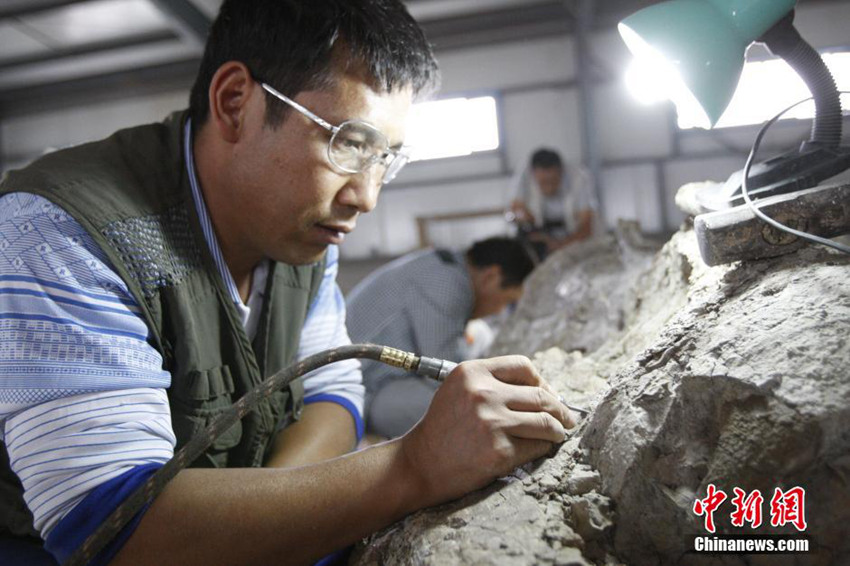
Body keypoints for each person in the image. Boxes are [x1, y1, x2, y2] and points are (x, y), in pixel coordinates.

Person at [0, 1, 575, 565]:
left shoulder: (300, 236)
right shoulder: (61, 232)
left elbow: (334, 394)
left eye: (386, 159)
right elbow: (114, 528)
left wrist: (263, 527)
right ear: (234, 103)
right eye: (349, 143)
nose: (367, 197)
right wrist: (411, 467)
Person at [347, 237, 536, 439]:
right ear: (491, 276)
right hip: (367, 391)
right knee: (465, 409)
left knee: (481, 333)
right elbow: (445, 375)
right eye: (507, 301)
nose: (500, 311)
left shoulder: (450, 266)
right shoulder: (446, 284)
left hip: (392, 374)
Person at [508, 148, 597, 258]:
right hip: (539, 230)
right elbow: (516, 207)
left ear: (561, 172)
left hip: (572, 236)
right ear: (533, 175)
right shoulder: (523, 175)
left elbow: (586, 225)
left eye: (553, 181)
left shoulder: (580, 178)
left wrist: (559, 245)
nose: (549, 188)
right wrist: (525, 219)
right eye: (543, 182)